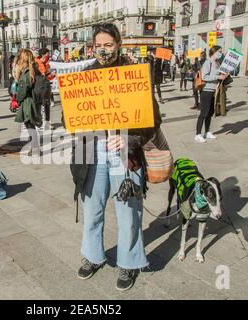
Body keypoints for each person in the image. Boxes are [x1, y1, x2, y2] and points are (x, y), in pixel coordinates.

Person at [71, 23, 162, 291]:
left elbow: (152, 120)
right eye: (98, 45)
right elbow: (70, 118)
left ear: (119, 44)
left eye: (108, 44)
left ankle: (129, 262)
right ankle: (92, 256)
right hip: (92, 152)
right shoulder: (85, 75)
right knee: (92, 208)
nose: (103, 49)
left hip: (125, 153)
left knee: (128, 210)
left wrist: (128, 138)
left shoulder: (133, 75)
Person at [194, 45, 228, 143]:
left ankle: (207, 131)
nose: (220, 53)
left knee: (210, 112)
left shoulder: (216, 63)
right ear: (214, 52)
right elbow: (204, 77)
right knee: (204, 112)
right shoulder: (207, 63)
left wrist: (223, 76)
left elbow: (216, 75)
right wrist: (218, 77)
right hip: (206, 90)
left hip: (214, 90)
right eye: (219, 51)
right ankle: (198, 134)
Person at [14, 49, 42, 156]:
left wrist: (17, 99)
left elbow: (23, 91)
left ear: (24, 59)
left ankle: (35, 149)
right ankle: (35, 148)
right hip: (33, 101)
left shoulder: (27, 73)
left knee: (30, 126)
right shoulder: (34, 70)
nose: (19, 60)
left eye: (20, 58)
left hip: (28, 103)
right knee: (31, 126)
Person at [35, 48, 55, 130]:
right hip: (37, 87)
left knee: (47, 106)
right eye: (47, 53)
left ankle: (47, 123)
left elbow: (48, 77)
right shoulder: (35, 62)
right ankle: (38, 123)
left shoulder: (47, 64)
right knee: (38, 106)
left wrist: (52, 75)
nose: (48, 55)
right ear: (43, 54)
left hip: (46, 87)